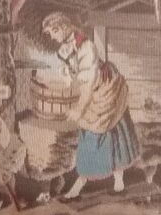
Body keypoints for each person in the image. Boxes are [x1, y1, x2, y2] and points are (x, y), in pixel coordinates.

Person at [41, 11, 139, 198]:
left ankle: (113, 182)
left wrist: (79, 111)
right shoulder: (65, 49)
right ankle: (81, 184)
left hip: (105, 91)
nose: (52, 37)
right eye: (50, 34)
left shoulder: (87, 48)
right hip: (94, 92)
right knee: (92, 135)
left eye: (53, 32)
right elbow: (72, 77)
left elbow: (88, 83)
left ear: (62, 28)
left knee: (111, 134)